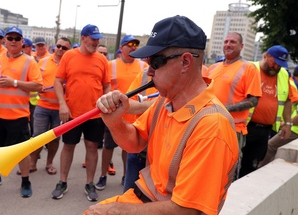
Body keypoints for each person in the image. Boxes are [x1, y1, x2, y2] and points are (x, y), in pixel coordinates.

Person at [85, 15, 238, 215]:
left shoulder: (211, 126)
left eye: (156, 62)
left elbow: (188, 210)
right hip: (141, 199)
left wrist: (119, 210)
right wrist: (115, 122)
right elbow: (136, 142)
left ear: (185, 62)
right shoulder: (165, 101)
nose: (149, 71)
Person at [0, 26, 43, 198]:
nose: (13, 41)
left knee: (21, 152)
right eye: (10, 38)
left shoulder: (29, 61)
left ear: (22, 42)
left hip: (18, 116)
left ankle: (25, 180)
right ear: (5, 40)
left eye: (17, 38)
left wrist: (14, 83)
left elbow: (38, 86)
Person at [52, 24, 110, 202]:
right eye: (93, 38)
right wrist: (62, 104)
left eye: (98, 38)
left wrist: (107, 99)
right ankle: (62, 182)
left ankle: (90, 183)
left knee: (92, 147)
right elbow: (57, 80)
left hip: (95, 114)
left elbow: (106, 84)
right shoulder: (69, 55)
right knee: (68, 146)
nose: (96, 41)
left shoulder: (101, 59)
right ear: (83, 38)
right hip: (72, 113)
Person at [95, 35, 148, 191]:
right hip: (115, 115)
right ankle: (103, 175)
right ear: (121, 48)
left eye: (135, 45)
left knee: (130, 148)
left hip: (136, 116)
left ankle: (126, 176)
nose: (133, 47)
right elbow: (104, 87)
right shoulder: (111, 65)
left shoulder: (143, 66)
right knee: (108, 146)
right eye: (129, 44)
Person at [207, 32, 262, 179]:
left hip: (233, 128)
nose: (228, 45)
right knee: (208, 168)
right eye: (226, 41)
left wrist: (224, 110)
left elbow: (253, 100)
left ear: (241, 46)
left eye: (233, 42)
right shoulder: (213, 68)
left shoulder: (249, 68)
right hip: (208, 126)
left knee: (227, 172)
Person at [239, 45, 293, 178]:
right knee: (233, 163)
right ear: (265, 56)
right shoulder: (249, 68)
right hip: (244, 127)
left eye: (280, 64)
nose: (276, 67)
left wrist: (288, 123)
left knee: (252, 165)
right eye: (274, 63)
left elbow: (287, 100)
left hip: (264, 131)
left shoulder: (284, 74)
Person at [29, 37, 72, 175]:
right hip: (42, 105)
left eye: (64, 47)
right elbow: (35, 80)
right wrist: (38, 88)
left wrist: (65, 87)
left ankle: (49, 163)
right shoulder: (44, 61)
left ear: (68, 50)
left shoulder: (70, 64)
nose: (60, 49)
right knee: (38, 137)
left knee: (54, 139)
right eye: (58, 46)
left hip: (61, 109)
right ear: (54, 46)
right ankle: (32, 162)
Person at [123, 67, 158, 193]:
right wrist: (156, 104)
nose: (149, 69)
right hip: (140, 147)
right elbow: (127, 105)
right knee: (129, 195)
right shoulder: (144, 75)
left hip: (162, 153)